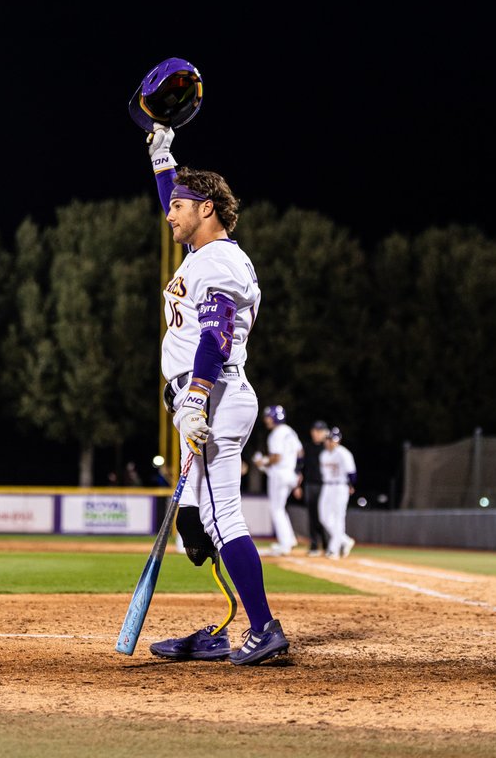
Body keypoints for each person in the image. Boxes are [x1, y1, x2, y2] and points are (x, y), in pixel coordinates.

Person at [141, 121, 289, 666]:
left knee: (225, 515)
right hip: (202, 396)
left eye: (179, 205)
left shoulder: (222, 260)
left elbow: (216, 335)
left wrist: (197, 398)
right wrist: (163, 159)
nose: (169, 212)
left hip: (216, 394)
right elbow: (174, 197)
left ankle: (264, 628)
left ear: (207, 209)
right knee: (196, 527)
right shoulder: (202, 256)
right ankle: (226, 627)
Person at [251, 405, 302, 556]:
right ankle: (290, 539)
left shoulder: (276, 434)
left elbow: (276, 457)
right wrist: (298, 471)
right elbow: (300, 452)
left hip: (279, 474)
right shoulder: (290, 431)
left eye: (268, 416)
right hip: (291, 474)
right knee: (281, 507)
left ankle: (285, 544)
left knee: (276, 509)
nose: (266, 419)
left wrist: (263, 461)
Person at [293, 420, 331, 556]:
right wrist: (297, 486)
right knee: (312, 516)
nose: (317, 434)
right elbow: (300, 468)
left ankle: (328, 544)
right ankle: (315, 544)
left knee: (323, 516)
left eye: (320, 431)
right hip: (310, 484)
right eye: (315, 431)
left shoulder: (328, 448)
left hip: (324, 485)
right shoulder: (307, 447)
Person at [319, 426, 357, 559]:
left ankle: (333, 549)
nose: (330, 442)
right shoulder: (323, 455)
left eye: (332, 440)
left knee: (338, 517)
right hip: (327, 486)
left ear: (338, 441)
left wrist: (351, 485)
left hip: (340, 486)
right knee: (324, 517)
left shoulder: (343, 453)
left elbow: (352, 472)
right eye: (328, 439)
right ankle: (345, 540)